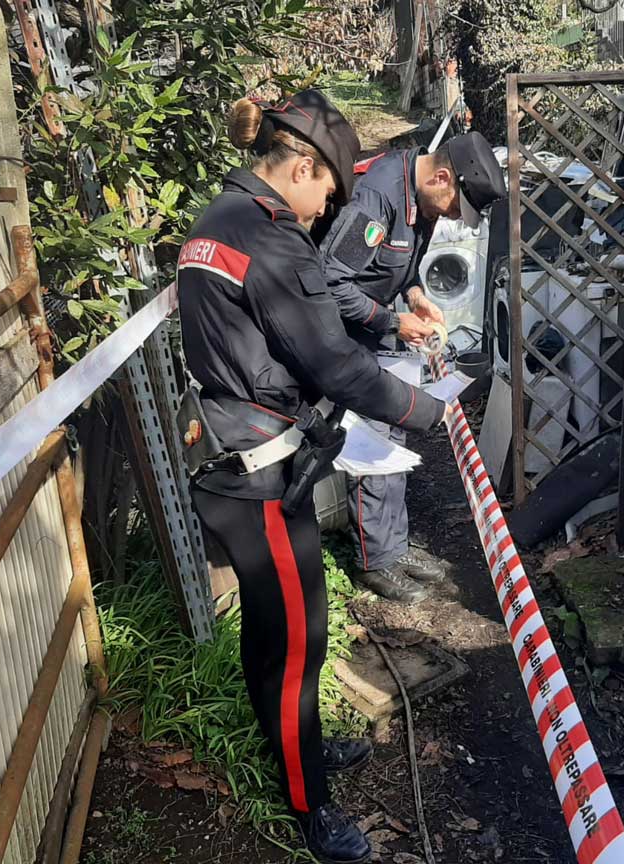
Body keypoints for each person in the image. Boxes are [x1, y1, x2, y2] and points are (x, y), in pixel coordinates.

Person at [177, 90, 449, 864]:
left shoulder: (217, 221)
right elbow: (331, 360)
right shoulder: (270, 238)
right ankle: (312, 806)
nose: (327, 203)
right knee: (301, 640)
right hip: (259, 478)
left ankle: (290, 747)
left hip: (233, 462)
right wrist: (426, 412)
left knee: (271, 629)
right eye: (325, 189)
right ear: (300, 166)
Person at [319, 132, 507, 603]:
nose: (448, 215)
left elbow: (401, 271)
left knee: (394, 437)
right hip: (351, 333)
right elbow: (329, 282)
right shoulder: (377, 198)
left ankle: (394, 546)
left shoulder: (418, 197)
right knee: (370, 440)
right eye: (452, 206)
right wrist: (392, 321)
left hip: (382, 327)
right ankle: (373, 560)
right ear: (442, 177)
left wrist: (419, 298)